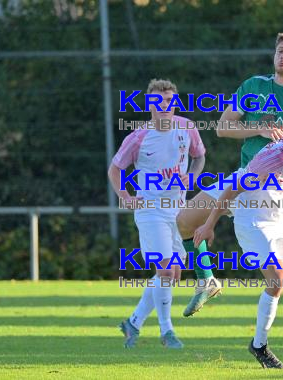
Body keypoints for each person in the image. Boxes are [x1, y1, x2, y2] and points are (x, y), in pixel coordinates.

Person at [177, 32, 283, 353]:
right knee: (185, 221)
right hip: (247, 181)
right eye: (280, 50)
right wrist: (256, 128)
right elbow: (222, 127)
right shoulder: (254, 87)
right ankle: (206, 280)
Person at [194, 129, 283, 368]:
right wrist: (209, 225)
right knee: (278, 279)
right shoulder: (268, 163)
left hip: (276, 218)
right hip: (251, 220)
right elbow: (232, 189)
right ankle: (259, 345)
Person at [108, 78, 206, 349]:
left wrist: (192, 177)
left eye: (169, 100)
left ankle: (134, 322)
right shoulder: (138, 136)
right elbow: (115, 169)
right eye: (158, 100)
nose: (164, 105)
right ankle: (167, 332)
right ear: (149, 104)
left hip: (179, 212)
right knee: (165, 270)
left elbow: (200, 156)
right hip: (150, 211)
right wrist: (125, 196)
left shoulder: (187, 127)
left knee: (173, 273)